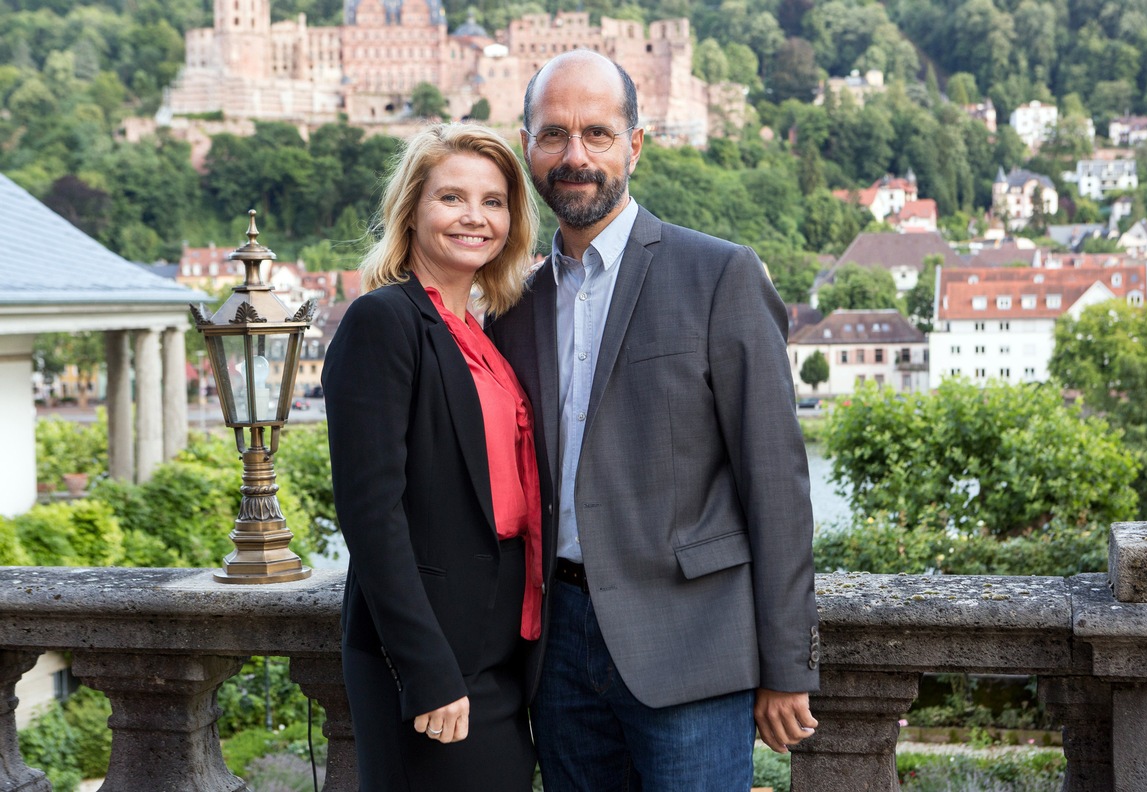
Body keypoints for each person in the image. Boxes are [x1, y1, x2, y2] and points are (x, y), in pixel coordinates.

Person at [488, 50, 821, 791]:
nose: (575, 156)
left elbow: (776, 482)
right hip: (557, 654)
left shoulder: (720, 274)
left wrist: (786, 664)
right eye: (554, 135)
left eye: (598, 134)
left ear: (635, 145)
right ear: (527, 147)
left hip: (693, 646)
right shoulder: (513, 306)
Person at [321, 122, 542, 791]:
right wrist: (427, 669)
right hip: (431, 656)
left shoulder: (484, 331)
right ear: (412, 210)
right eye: (452, 198)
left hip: (500, 643)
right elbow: (371, 513)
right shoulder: (382, 322)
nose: (475, 216)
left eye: (495, 201)